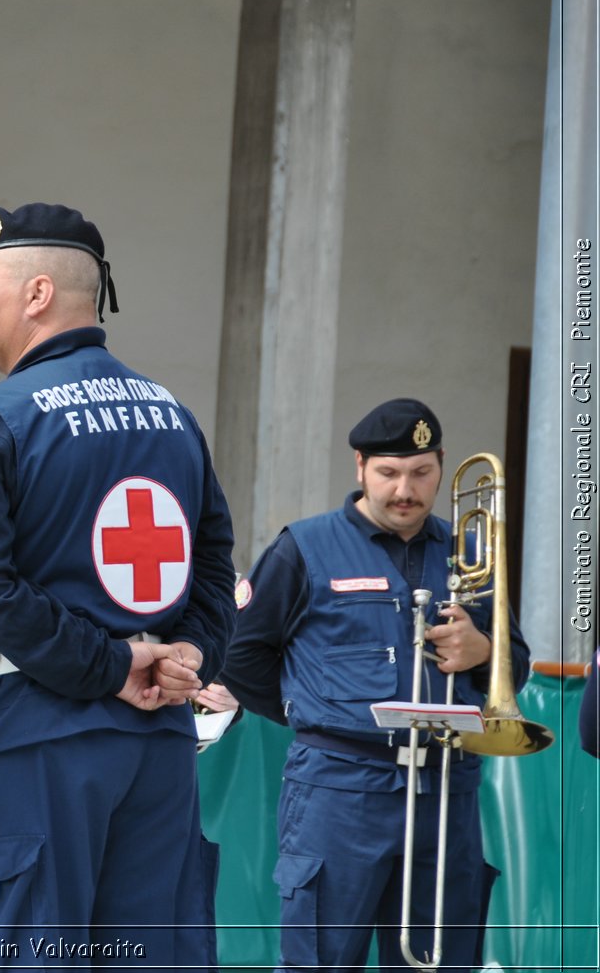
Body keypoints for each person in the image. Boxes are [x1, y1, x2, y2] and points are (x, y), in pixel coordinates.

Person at [0, 205, 235, 967]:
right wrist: (186, 655)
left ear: (36, 295)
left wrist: (107, 666)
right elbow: (217, 561)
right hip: (160, 747)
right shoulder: (174, 416)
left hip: (32, 739)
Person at [222, 397, 529, 973]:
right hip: (339, 789)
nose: (404, 490)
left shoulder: (469, 551)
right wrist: (309, 710)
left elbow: (520, 662)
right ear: (360, 466)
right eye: (388, 472)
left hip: (447, 791)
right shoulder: (304, 548)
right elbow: (240, 654)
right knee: (322, 959)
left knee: (441, 962)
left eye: (421, 473)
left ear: (441, 465)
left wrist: (483, 651)